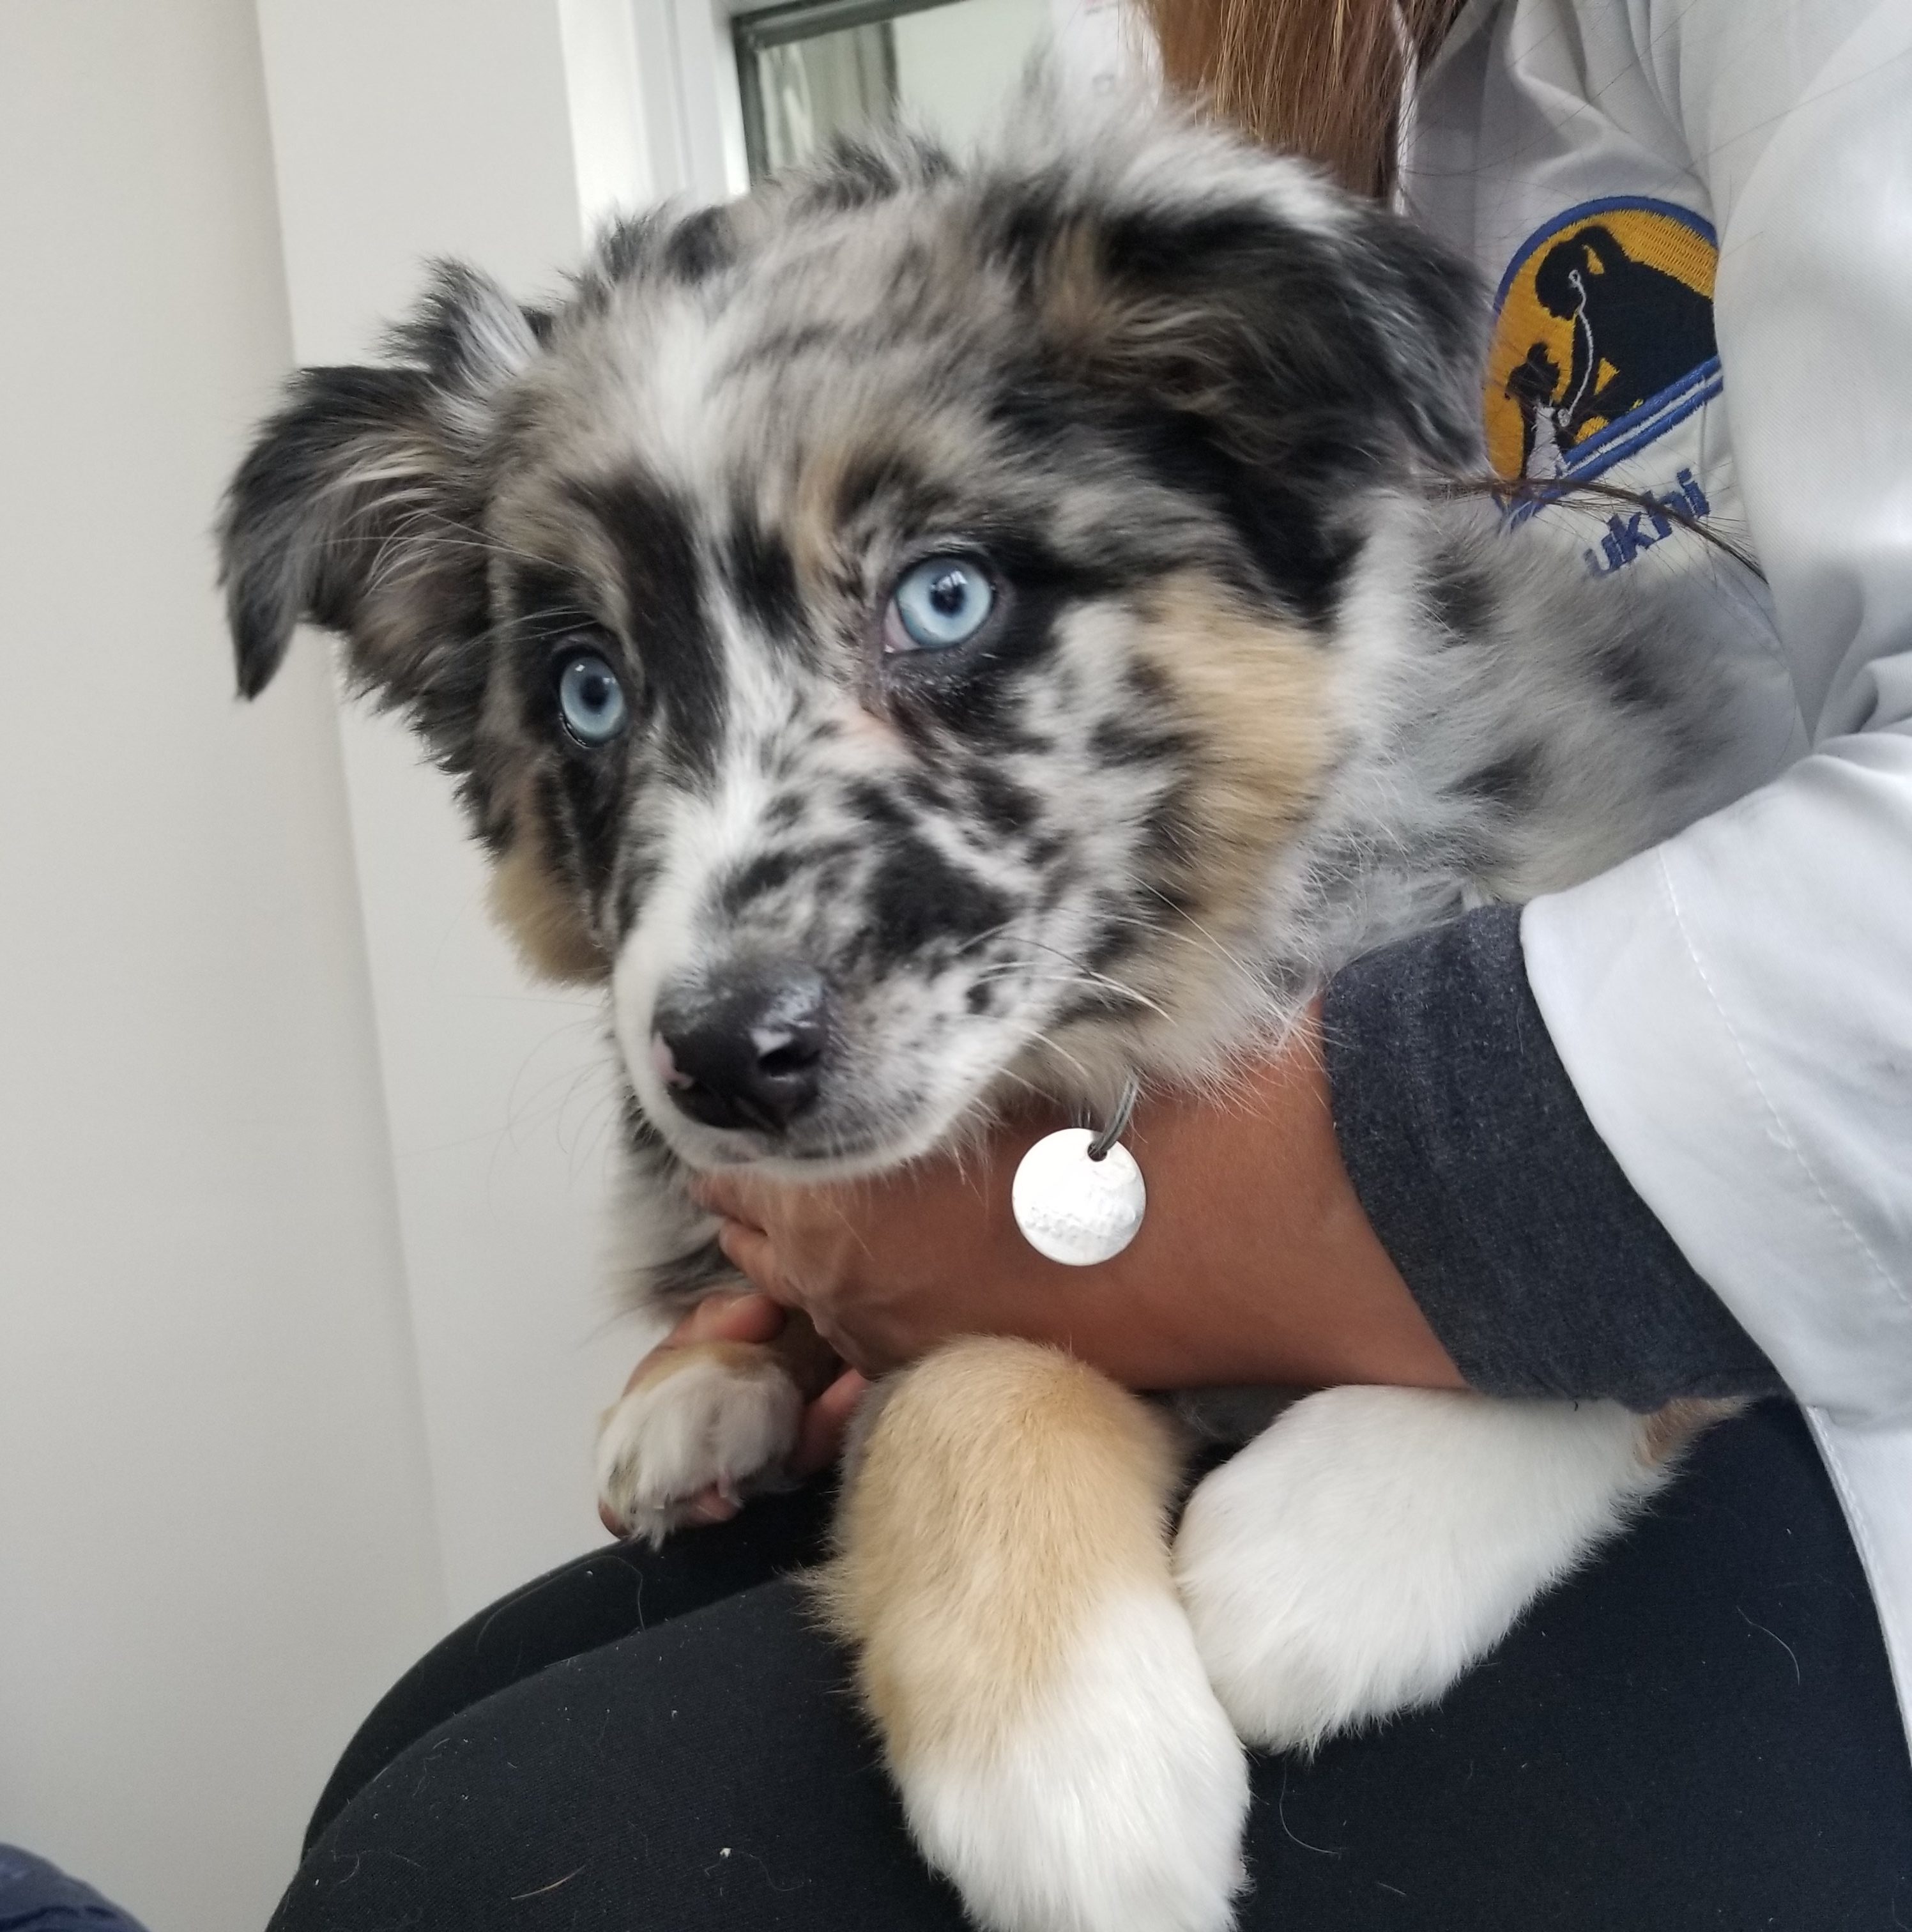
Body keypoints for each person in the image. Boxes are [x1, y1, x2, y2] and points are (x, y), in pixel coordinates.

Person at [268, 1, 1912, 1926]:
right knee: (434, 1735)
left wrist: (1038, 1259)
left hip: (1797, 1363)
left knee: (467, 1868)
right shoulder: (1211, 70)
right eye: (596, 687)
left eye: (935, 602)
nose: (726, 918)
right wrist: (870, 1303)